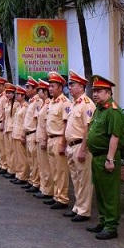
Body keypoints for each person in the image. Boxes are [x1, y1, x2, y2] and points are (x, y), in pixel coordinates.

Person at [86, 75, 124, 240]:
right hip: (96, 157)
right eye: (94, 91)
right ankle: (103, 221)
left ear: (108, 92)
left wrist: (110, 159)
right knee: (100, 192)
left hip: (106, 158)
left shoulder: (113, 111)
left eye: (99, 91)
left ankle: (111, 226)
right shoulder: (99, 109)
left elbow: (114, 137)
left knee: (109, 193)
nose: (95, 94)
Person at [62, 70, 96, 223]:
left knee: (84, 180)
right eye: (69, 84)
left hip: (80, 147)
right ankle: (77, 207)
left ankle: (84, 211)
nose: (70, 87)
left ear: (81, 87)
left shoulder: (87, 104)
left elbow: (88, 129)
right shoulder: (74, 104)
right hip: (71, 146)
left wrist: (83, 149)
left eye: (73, 84)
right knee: (75, 179)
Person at [44, 71, 72, 210]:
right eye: (49, 86)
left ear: (60, 87)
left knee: (61, 171)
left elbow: (66, 124)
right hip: (50, 139)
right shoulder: (51, 103)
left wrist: (63, 143)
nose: (50, 88)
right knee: (53, 170)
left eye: (53, 86)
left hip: (59, 139)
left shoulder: (65, 103)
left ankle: (62, 199)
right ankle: (56, 196)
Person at [33, 79, 54, 199]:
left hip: (45, 138)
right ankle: (44, 189)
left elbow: (46, 124)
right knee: (42, 165)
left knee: (46, 167)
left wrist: (44, 139)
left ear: (44, 92)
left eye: (39, 90)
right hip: (40, 137)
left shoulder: (48, 104)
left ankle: (47, 190)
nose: (37, 92)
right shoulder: (43, 104)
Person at [21, 78, 41, 193]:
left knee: (34, 160)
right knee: (31, 160)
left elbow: (38, 120)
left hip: (33, 133)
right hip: (28, 133)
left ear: (34, 89)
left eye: (28, 87)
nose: (26, 89)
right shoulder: (31, 101)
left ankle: (36, 182)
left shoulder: (37, 101)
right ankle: (32, 180)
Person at [8, 86, 30, 185]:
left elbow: (25, 122)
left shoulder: (26, 107)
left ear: (23, 95)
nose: (16, 96)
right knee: (17, 156)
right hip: (15, 133)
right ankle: (18, 174)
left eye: (18, 94)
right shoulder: (19, 106)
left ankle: (23, 176)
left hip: (20, 134)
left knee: (22, 157)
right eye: (16, 94)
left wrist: (23, 135)